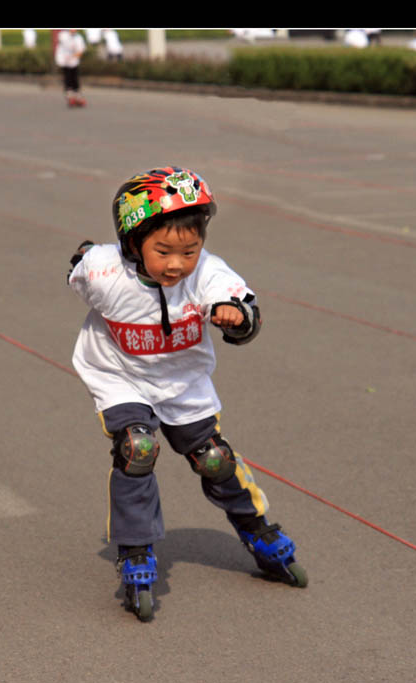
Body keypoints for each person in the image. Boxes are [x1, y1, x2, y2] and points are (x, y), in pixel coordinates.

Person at [67, 167, 307, 621]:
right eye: (163, 251)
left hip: (183, 384)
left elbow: (241, 303)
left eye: (189, 250)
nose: (177, 263)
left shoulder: (206, 274)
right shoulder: (104, 272)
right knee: (137, 448)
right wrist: (80, 258)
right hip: (119, 376)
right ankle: (136, 549)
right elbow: (78, 268)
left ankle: (258, 529)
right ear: (133, 243)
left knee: (214, 457)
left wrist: (234, 316)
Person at [54, 29, 86, 107]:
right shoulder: (63, 35)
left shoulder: (79, 38)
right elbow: (61, 46)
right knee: (67, 79)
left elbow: (80, 50)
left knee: (74, 79)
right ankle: (70, 96)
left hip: (73, 61)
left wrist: (74, 56)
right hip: (64, 60)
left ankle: (77, 96)